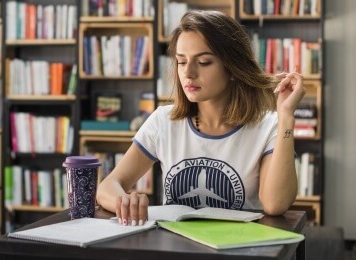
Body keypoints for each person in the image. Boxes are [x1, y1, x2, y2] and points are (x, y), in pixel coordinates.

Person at [96, 10, 305, 226]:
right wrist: (124, 201)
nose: (188, 73)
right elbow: (107, 187)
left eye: (203, 62)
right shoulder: (162, 121)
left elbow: (275, 204)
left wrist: (286, 116)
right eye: (181, 61)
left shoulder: (267, 126)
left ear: (233, 69)